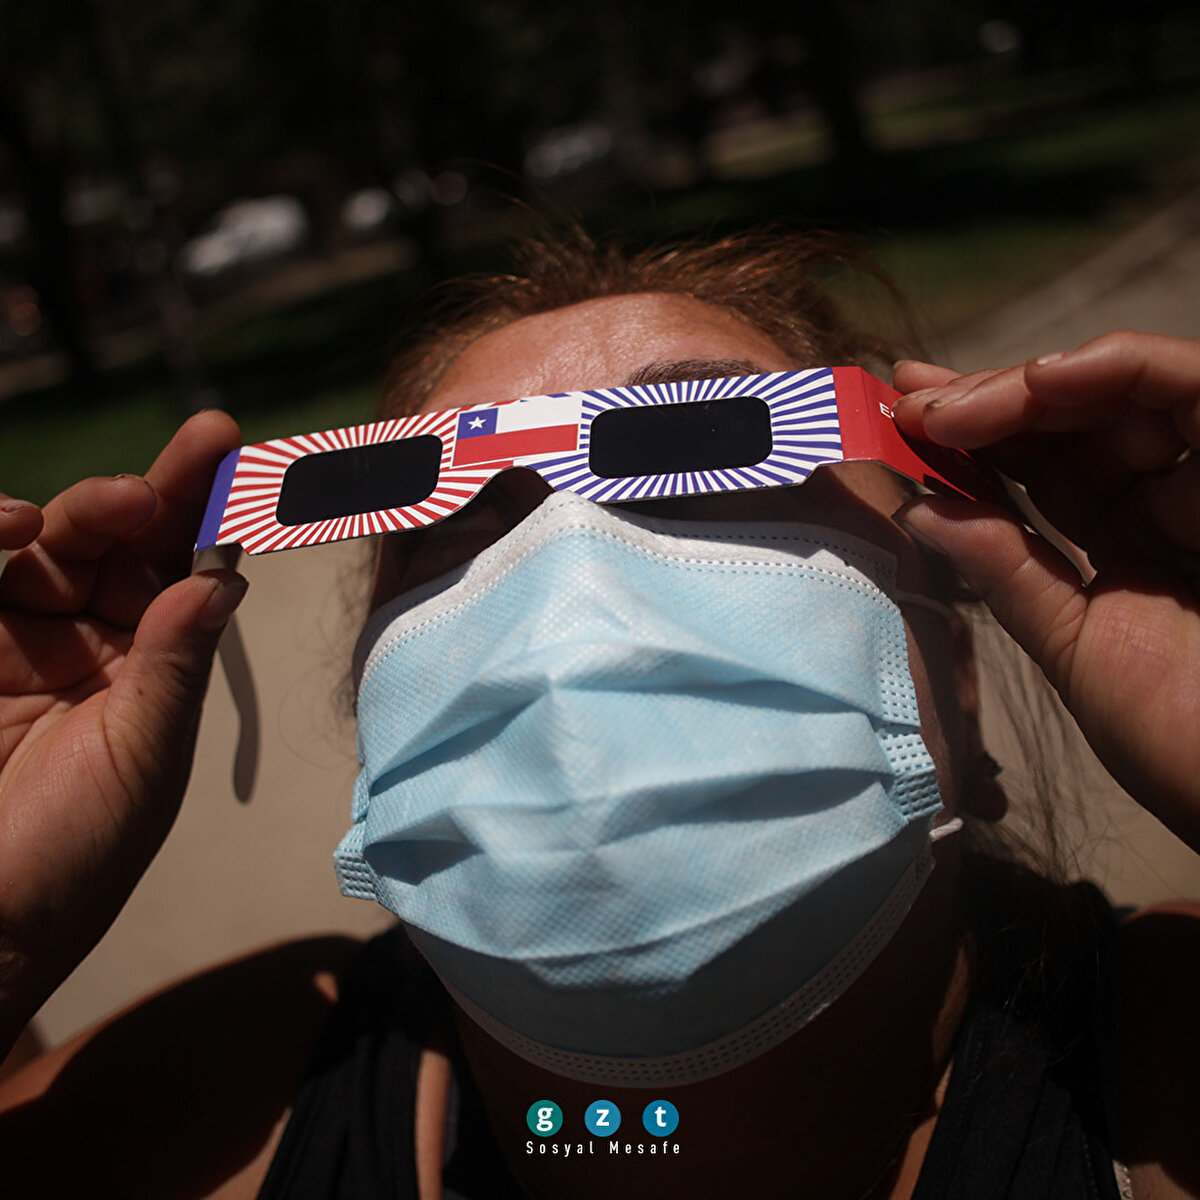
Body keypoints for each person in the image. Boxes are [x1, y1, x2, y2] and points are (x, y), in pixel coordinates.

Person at [0, 230, 1197, 1200]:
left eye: (711, 455)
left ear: (960, 683)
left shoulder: (1173, 1061)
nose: (570, 576)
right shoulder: (206, 1105)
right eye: (459, 521)